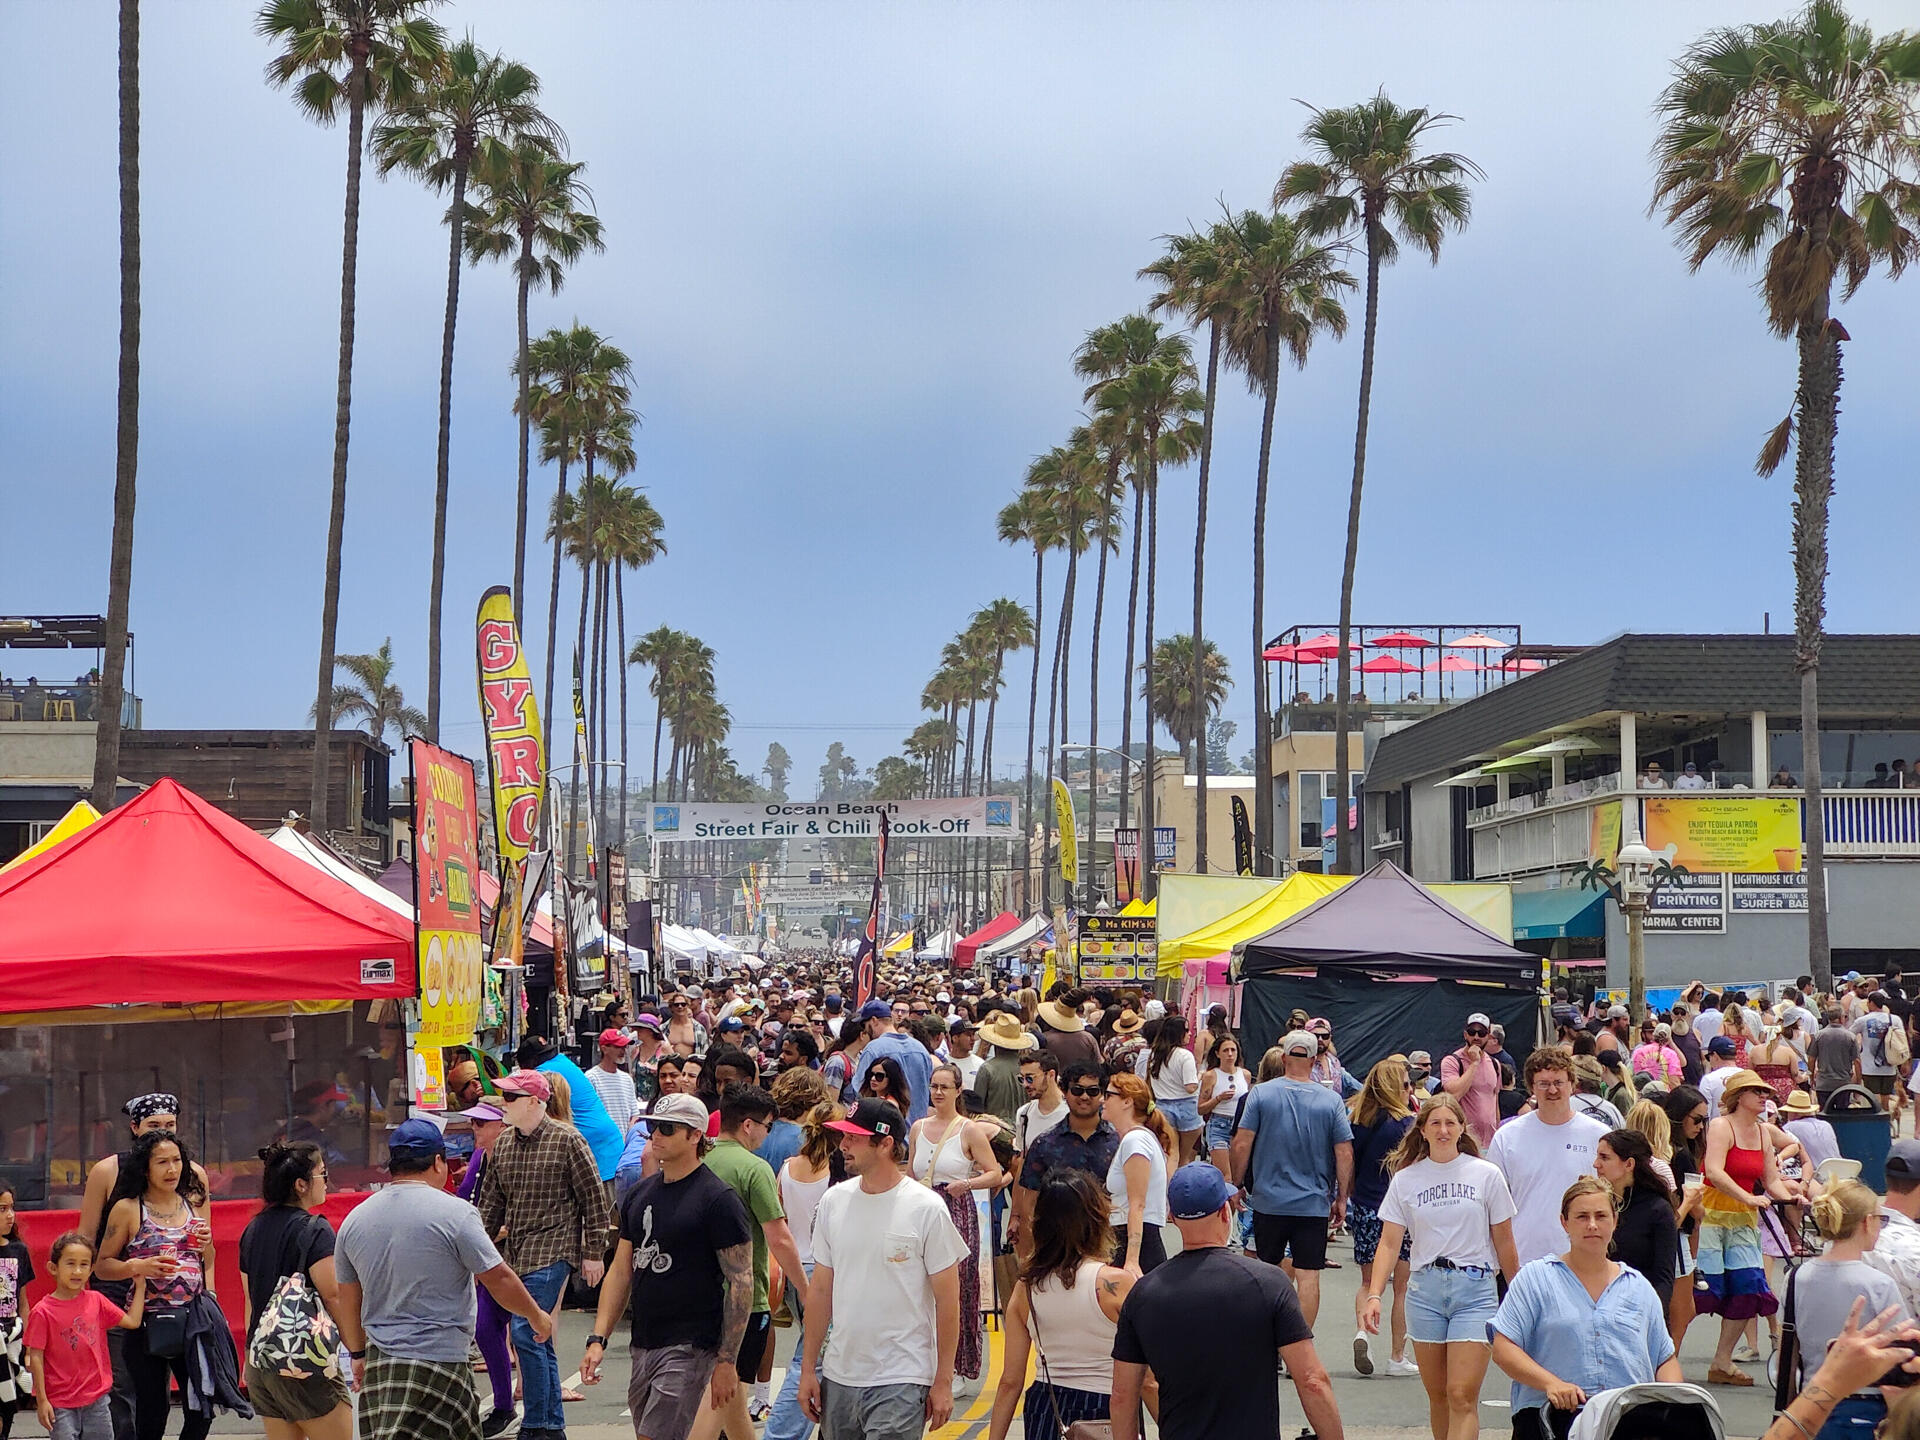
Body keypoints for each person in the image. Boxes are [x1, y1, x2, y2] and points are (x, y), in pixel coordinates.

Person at [334, 1118, 553, 1440]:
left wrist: (357, 1354)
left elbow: (347, 1296)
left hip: (382, 1361)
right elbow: (498, 1278)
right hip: (442, 1360)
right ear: (438, 1162)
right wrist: (536, 1316)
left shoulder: (356, 1219)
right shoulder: (456, 1213)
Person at [1111, 1162, 1343, 1440]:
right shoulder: (1268, 1283)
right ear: (1224, 1211)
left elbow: (1123, 1394)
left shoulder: (1143, 1294)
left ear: (1172, 1216)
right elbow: (1312, 1380)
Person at [580, 1094, 755, 1440]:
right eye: (651, 1127)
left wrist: (726, 1360)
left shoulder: (718, 1199)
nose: (655, 1135)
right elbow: (621, 1270)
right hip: (644, 1341)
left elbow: (741, 1283)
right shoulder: (640, 1194)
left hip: (691, 1345)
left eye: (667, 1128)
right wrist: (598, 1338)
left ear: (695, 1136)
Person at [797, 1098, 968, 1438]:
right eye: (843, 1136)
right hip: (840, 1376)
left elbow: (948, 1302)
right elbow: (820, 1290)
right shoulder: (834, 1202)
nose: (843, 1145)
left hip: (902, 1379)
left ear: (886, 1143)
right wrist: (808, 1370)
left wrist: (943, 1381)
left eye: (854, 1138)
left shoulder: (927, 1208)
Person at [1365, 1093, 1518, 1440]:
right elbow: (1389, 1242)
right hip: (1425, 1289)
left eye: (1451, 1123)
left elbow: (1505, 1241)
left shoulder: (1486, 1175)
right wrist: (1375, 1294)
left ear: (1462, 1128)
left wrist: (1516, 1291)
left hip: (1474, 1288)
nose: (1444, 1130)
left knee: (1461, 1394)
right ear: (1422, 1130)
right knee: (1438, 1396)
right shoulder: (1407, 1179)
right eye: (1436, 1123)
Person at [477, 1069, 616, 1440]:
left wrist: (593, 1252)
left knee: (526, 1329)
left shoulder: (568, 1139)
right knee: (536, 1335)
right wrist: (476, 1252)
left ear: (535, 1102)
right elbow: (490, 1205)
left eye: (511, 1097)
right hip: (517, 1251)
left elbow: (594, 1199)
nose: (503, 1104)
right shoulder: (504, 1145)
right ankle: (550, 1425)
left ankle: (536, 1423)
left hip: (555, 1249)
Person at [1490, 1176, 1681, 1440]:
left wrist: (1673, 1401)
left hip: (1626, 1420)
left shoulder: (1638, 1288)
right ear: (1564, 1223)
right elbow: (1503, 1349)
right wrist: (1551, 1383)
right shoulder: (1535, 1279)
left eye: (1601, 1216)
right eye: (1581, 1217)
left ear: (1614, 1222)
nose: (1592, 1225)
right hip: (1552, 1418)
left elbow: (1664, 1358)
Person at [985, 1171, 1135, 1440]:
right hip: (1104, 1408)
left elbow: (1010, 1382)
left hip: (1046, 1407)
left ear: (1040, 1225)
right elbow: (1146, 1381)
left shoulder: (1027, 1287)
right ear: (1096, 1219)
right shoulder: (1115, 1285)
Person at [93, 1132, 218, 1440]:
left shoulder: (192, 1205)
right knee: (152, 1409)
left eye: (177, 1161)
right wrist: (138, 1267)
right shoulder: (127, 1208)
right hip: (145, 1321)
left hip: (193, 1320)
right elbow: (102, 1266)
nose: (171, 1169)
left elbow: (208, 1260)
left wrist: (207, 1245)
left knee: (201, 1406)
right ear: (145, 1168)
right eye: (162, 1162)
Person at [1230, 1028, 1354, 1325]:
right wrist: (1341, 1198)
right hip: (1312, 1204)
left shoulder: (1260, 1093)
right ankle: (1300, 1344)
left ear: (1284, 1058)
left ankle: (1267, 1342)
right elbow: (1345, 1152)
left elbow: (1241, 1142)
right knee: (1308, 1276)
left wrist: (1236, 1184)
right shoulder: (1331, 1101)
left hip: (1268, 1201)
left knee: (1267, 1272)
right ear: (1314, 1060)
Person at [237, 1142, 352, 1440]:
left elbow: (251, 1298)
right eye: (322, 1175)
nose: (327, 1182)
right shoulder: (315, 1229)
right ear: (301, 1185)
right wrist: (358, 1348)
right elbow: (333, 1294)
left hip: (262, 1359)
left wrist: (249, 1355)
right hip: (303, 1359)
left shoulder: (253, 1229)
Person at [1786, 1179, 1910, 1440]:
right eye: (1880, 1220)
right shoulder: (1879, 1284)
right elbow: (1901, 1354)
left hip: (1811, 1399)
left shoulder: (1796, 1277)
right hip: (1865, 1402)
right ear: (1867, 1222)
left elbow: (1789, 1348)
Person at [908, 1065, 1003, 1383]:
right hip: (922, 1214)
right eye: (934, 1086)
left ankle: (957, 1367)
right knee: (920, 1288)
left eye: (944, 1087)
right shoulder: (918, 1128)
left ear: (958, 1090)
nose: (937, 1092)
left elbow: (994, 1172)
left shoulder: (969, 1130)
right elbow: (911, 1172)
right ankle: (925, 1359)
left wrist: (968, 1185)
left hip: (956, 1212)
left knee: (958, 1289)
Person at [1698, 1068, 1793, 1386]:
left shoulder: (1765, 1132)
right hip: (1710, 1216)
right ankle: (1663, 1355)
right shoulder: (1721, 1126)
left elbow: (1771, 1181)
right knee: (1702, 1292)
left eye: (1765, 1092)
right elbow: (1714, 1171)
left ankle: (1721, 1361)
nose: (1764, 1096)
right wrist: (1748, 1198)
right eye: (1757, 1092)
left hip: (1742, 1220)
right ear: (1739, 1098)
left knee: (1748, 1288)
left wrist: (1798, 1196)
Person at [764, 1099, 846, 1440]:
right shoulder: (836, 1173)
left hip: (793, 1266)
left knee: (817, 1351)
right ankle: (781, 1433)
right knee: (810, 1359)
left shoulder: (787, 1167)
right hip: (824, 1271)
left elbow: (781, 1217)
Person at [1485, 1048, 1611, 1267]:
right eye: (1543, 1083)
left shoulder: (1599, 1135)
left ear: (1572, 1085)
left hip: (1584, 1262)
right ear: (1532, 1087)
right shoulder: (1507, 1137)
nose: (1552, 1090)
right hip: (1524, 1261)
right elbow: (1493, 1207)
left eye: (1559, 1082)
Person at [26, 1236, 144, 1440]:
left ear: (91, 1270)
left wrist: (141, 1287)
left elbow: (132, 1322)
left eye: (84, 1265)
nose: (77, 1271)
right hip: (60, 1403)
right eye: (70, 1263)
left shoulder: (96, 1301)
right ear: (53, 1268)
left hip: (97, 1399)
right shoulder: (43, 1312)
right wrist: (42, 1400)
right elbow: (36, 1357)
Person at [1347, 1058, 1419, 1380]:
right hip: (1397, 1211)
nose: (1410, 1089)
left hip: (1364, 1205)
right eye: (1406, 1084)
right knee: (1401, 1287)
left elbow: (1350, 1163)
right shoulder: (1406, 1124)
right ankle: (1397, 1355)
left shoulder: (1359, 1120)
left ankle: (1363, 1332)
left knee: (1368, 1281)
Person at [451, 1103, 515, 1435]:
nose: (474, 1128)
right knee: (487, 1328)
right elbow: (466, 1200)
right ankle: (504, 1405)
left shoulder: (512, 1159)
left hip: (512, 1254)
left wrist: (497, 1231)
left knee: (518, 1332)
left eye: (481, 1122)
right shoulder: (479, 1158)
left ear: (502, 1126)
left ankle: (527, 1409)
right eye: (473, 1122)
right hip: (482, 1251)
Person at [1013, 1063, 1117, 1261]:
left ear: (1102, 1095)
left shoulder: (1119, 1141)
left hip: (1111, 1245)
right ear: (1064, 1092)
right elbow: (1031, 1203)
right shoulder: (1044, 1144)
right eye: (1077, 1090)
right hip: (1058, 1249)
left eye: (1093, 1091)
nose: (1085, 1097)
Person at [516, 1036, 625, 1182]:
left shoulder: (542, 1074)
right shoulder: (562, 1060)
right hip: (608, 1141)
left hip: (595, 1149)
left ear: (530, 1062)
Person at [1594, 1129, 1679, 1311]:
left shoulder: (1657, 1209)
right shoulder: (1598, 1205)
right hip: (1597, 1305)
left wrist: (1653, 1317)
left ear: (1629, 1164)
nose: (1596, 1164)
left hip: (1639, 1308)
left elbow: (1664, 1277)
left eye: (1604, 1158)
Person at [1100, 1073, 1173, 1275]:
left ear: (1127, 1101)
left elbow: (1137, 1203)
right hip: (1127, 1239)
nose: (1102, 1100)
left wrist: (1131, 1260)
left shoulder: (1136, 1141)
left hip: (1136, 1245)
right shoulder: (1137, 1139)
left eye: (1108, 1095)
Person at [853, 999, 937, 1123]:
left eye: (864, 1025)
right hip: (917, 1131)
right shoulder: (920, 1048)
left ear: (874, 1021)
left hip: (886, 1130)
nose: (865, 1030)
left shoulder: (874, 1049)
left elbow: (860, 1091)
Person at [1135, 1015, 1203, 1163]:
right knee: (1184, 1157)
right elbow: (1191, 1087)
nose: (1190, 1033)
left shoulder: (1155, 1055)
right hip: (1186, 1106)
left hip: (1163, 1106)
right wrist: (1200, 1077)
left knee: (1170, 1154)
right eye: (1186, 1030)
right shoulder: (1185, 1055)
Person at [1438, 1013, 1501, 1147]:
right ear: (1465, 1035)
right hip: (1462, 1140)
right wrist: (1474, 1064)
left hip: (1489, 1141)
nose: (1476, 1037)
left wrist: (1498, 1131)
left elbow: (1495, 1100)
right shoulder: (1452, 1061)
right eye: (1472, 1032)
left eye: (1481, 1033)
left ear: (1489, 1036)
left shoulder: (1495, 1064)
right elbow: (1454, 1094)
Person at [969, 1013, 1034, 1130]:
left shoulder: (987, 1069)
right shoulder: (1029, 1069)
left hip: (995, 1131)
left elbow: (977, 1109)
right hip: (1024, 1130)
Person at [1198, 1037, 1249, 1175]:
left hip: (1239, 1125)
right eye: (1226, 1050)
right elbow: (1201, 1109)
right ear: (1217, 1054)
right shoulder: (1211, 1076)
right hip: (1218, 1124)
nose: (1230, 1054)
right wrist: (1218, 1098)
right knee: (1225, 1175)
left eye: (1233, 1050)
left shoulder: (1245, 1074)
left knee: (1237, 1173)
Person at [586, 1029, 639, 1135]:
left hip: (624, 1143)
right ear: (604, 1049)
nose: (622, 1051)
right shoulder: (591, 1078)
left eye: (624, 1047)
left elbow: (634, 1114)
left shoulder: (627, 1079)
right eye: (617, 1047)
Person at [1855, 993, 1900, 1111]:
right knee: (1886, 1098)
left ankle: (1876, 1124)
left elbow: (1849, 1035)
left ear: (1871, 1003)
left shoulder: (1862, 1020)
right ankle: (1886, 1123)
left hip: (1869, 1067)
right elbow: (1902, 1041)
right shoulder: (1895, 1019)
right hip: (1889, 1066)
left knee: (1873, 1100)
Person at [1699, 1034, 1743, 1113]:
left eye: (1708, 1057)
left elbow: (1704, 1113)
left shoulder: (1709, 1080)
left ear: (1715, 1056)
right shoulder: (1750, 1076)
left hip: (1717, 1125)